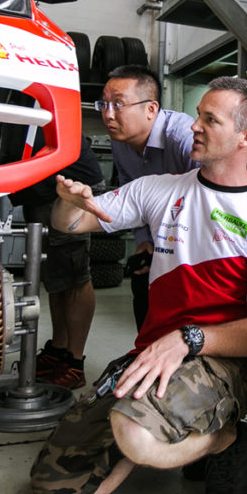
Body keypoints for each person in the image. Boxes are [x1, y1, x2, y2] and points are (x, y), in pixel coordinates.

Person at [29, 77, 247, 494]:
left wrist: (187, 340)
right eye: (198, 115)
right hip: (154, 353)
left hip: (228, 361)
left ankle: (227, 440)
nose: (194, 126)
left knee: (137, 437)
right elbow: (74, 222)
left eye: (210, 119)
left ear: (245, 138)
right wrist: (66, 203)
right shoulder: (160, 189)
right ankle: (177, 426)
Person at [98, 65, 197, 330]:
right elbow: (132, 192)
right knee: (142, 286)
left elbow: (209, 197)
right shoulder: (120, 142)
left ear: (151, 108)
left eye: (118, 104)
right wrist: (144, 242)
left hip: (195, 246)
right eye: (104, 104)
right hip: (159, 237)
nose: (108, 114)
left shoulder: (184, 139)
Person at [12, 136, 106, 389]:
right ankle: (59, 350)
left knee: (76, 278)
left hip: (65, 189)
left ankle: (74, 363)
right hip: (38, 193)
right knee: (56, 279)